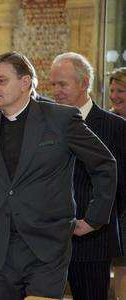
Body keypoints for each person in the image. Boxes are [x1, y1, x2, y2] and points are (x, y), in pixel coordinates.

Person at [0, 52, 117, 299]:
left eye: (1, 80)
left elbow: (105, 164)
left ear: (25, 82)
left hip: (47, 246)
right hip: (1, 249)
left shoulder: (61, 118)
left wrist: (94, 218)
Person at [48, 52, 125, 300]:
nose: (56, 91)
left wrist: (94, 218)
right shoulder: (46, 124)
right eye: (53, 85)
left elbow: (120, 185)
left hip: (92, 240)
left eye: (63, 84)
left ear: (83, 84)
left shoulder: (115, 127)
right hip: (48, 238)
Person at [108, 67, 126, 300]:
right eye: (112, 90)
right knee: (122, 267)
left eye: (120, 90)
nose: (114, 95)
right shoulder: (108, 122)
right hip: (119, 208)